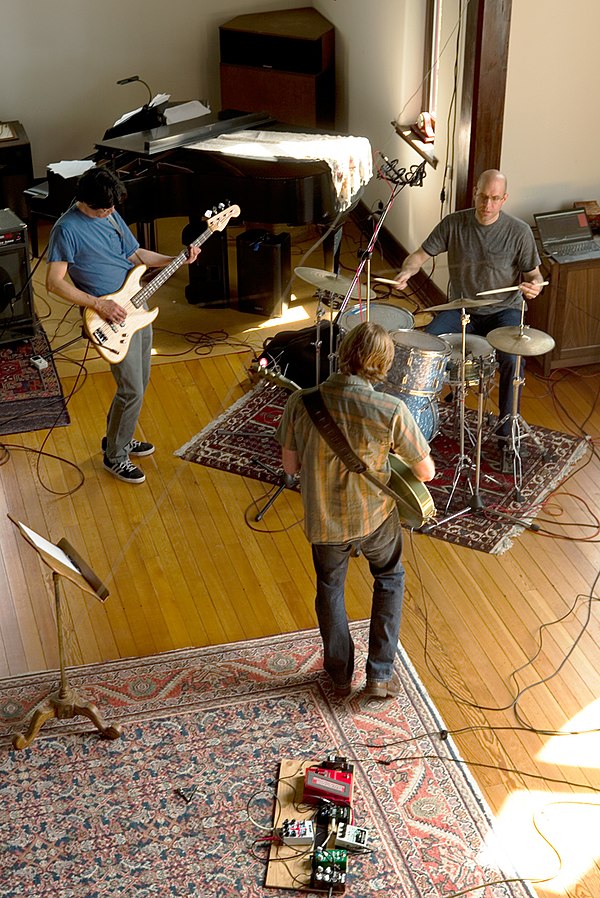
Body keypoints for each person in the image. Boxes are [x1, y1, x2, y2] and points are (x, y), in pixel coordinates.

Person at [276, 321, 435, 699]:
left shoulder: (302, 401)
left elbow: (290, 467)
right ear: (383, 365)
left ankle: (339, 675)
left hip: (324, 521)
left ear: (343, 352)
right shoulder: (391, 408)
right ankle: (379, 675)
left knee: (330, 589)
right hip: (375, 518)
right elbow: (425, 472)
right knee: (389, 579)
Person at [46, 166, 199, 484]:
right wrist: (99, 304)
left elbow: (134, 255)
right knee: (131, 389)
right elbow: (54, 283)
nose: (112, 212)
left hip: (136, 304)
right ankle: (115, 456)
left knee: (138, 386)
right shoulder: (66, 229)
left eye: (113, 207)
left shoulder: (110, 213)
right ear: (85, 203)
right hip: (107, 317)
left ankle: (120, 437)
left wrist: (176, 258)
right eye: (105, 209)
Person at [394, 170, 544, 453]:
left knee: (514, 357)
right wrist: (407, 271)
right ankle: (417, 421)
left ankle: (506, 431)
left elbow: (534, 275)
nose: (487, 205)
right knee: (426, 348)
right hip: (462, 309)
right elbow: (420, 255)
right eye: (483, 197)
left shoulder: (519, 232)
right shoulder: (454, 223)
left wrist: (535, 286)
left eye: (495, 199)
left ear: (504, 199)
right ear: (475, 192)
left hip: (504, 311)